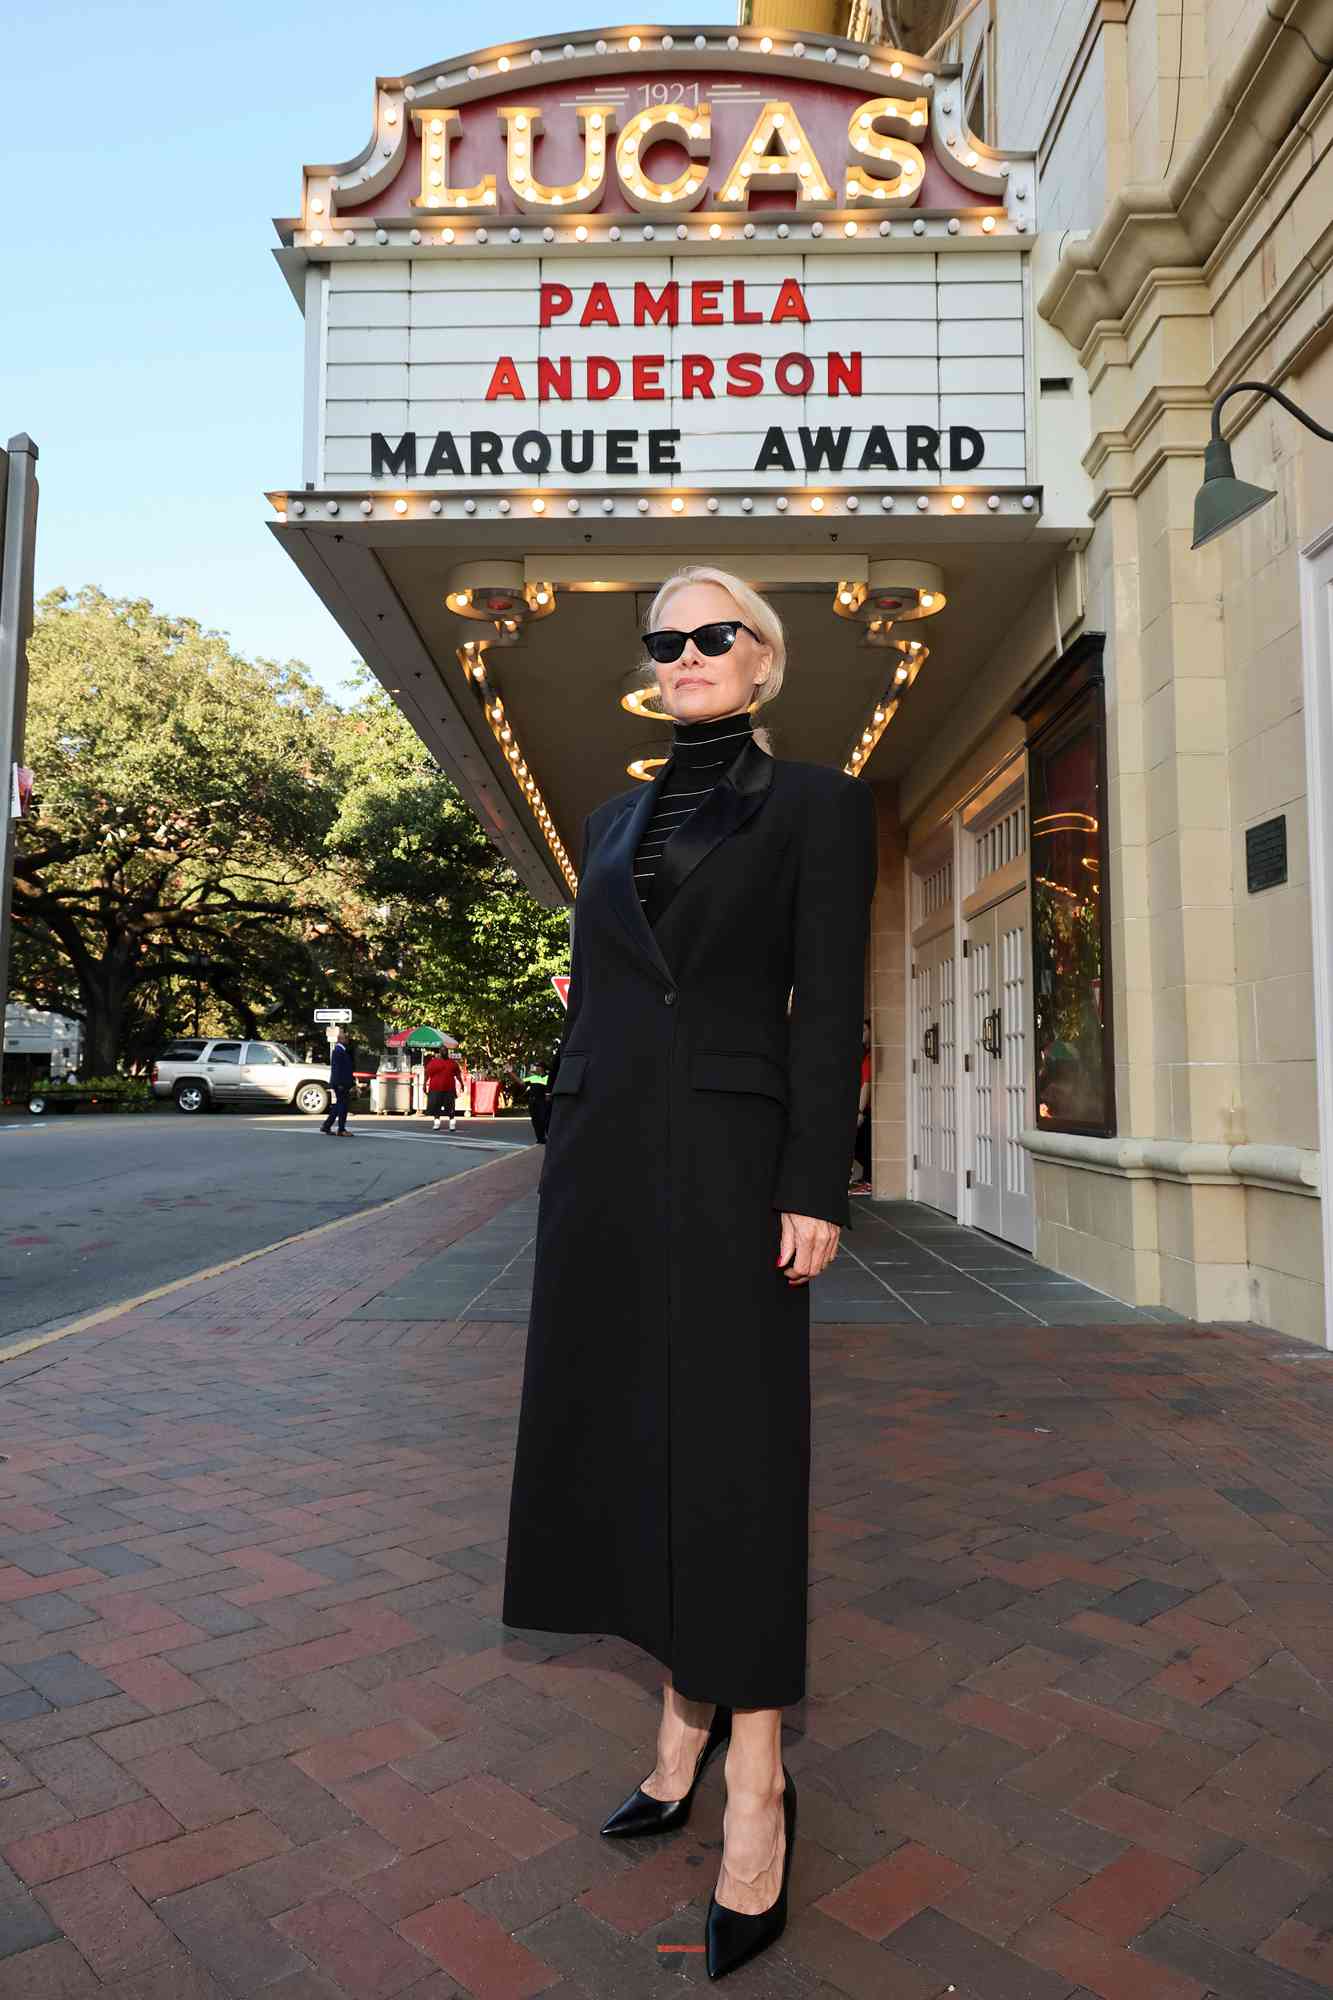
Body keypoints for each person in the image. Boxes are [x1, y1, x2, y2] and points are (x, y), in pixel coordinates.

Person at [502, 567, 876, 1983]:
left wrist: (811, 1183)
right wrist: (563, 1133)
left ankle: (758, 1779)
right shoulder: (607, 819)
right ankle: (677, 1728)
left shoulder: (817, 810)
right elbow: (603, 993)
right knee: (623, 1444)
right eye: (666, 641)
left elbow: (826, 1000)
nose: (688, 654)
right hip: (604, 1168)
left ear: (766, 662)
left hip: (731, 1177)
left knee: (735, 1461)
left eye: (716, 634)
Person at [850, 1018, 872, 1193]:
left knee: (861, 1144)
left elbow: (866, 1084)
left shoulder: (869, 1057)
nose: (861, 1033)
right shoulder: (863, 1054)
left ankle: (869, 1182)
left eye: (864, 1030)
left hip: (866, 1109)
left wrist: (859, 1110)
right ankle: (866, 1180)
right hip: (864, 1108)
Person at [321, 1031, 353, 1137]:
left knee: (339, 1106)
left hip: (343, 1083)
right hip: (341, 1084)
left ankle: (327, 1126)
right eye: (345, 1038)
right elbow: (337, 1069)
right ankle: (341, 1129)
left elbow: (347, 1069)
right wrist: (340, 1083)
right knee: (343, 1106)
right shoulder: (338, 1051)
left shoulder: (343, 1051)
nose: (347, 1040)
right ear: (340, 1039)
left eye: (347, 1038)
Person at [424, 1046, 464, 1131]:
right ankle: (437, 1123)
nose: (444, 1052)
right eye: (442, 1051)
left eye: (445, 1050)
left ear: (448, 1052)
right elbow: (427, 1074)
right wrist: (424, 1084)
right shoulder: (433, 1062)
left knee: (451, 1107)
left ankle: (452, 1123)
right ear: (439, 1052)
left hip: (449, 1089)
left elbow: (458, 1075)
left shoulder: (453, 1063)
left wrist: (462, 1084)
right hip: (435, 1088)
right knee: (436, 1107)